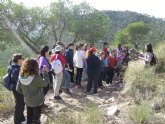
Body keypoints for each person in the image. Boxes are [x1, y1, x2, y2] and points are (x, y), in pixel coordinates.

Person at [17, 58, 49, 124]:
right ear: (35, 67)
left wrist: (26, 94)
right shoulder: (35, 77)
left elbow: (18, 89)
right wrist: (45, 72)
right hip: (37, 101)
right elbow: (45, 84)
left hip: (28, 101)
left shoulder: (21, 76)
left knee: (29, 116)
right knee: (36, 119)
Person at [7, 54, 25, 124]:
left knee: (21, 103)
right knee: (19, 105)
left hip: (17, 89)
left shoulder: (13, 66)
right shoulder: (16, 68)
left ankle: (21, 118)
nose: (23, 60)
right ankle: (17, 121)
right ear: (18, 60)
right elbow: (15, 79)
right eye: (22, 59)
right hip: (17, 89)